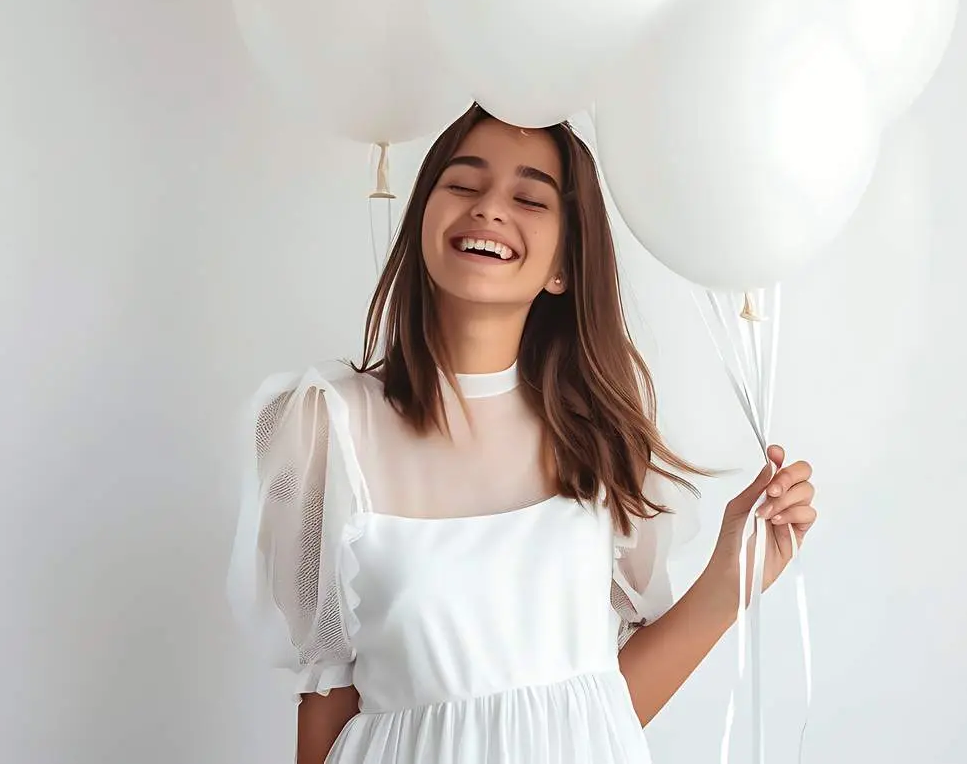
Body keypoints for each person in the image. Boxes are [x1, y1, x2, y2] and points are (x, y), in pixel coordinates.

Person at [225, 104, 818, 764]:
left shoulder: (599, 436)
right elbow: (326, 703)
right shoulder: (322, 426)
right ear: (423, 213)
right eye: (463, 183)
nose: (489, 209)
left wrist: (729, 579)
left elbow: (600, 713)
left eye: (529, 197)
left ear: (563, 265)